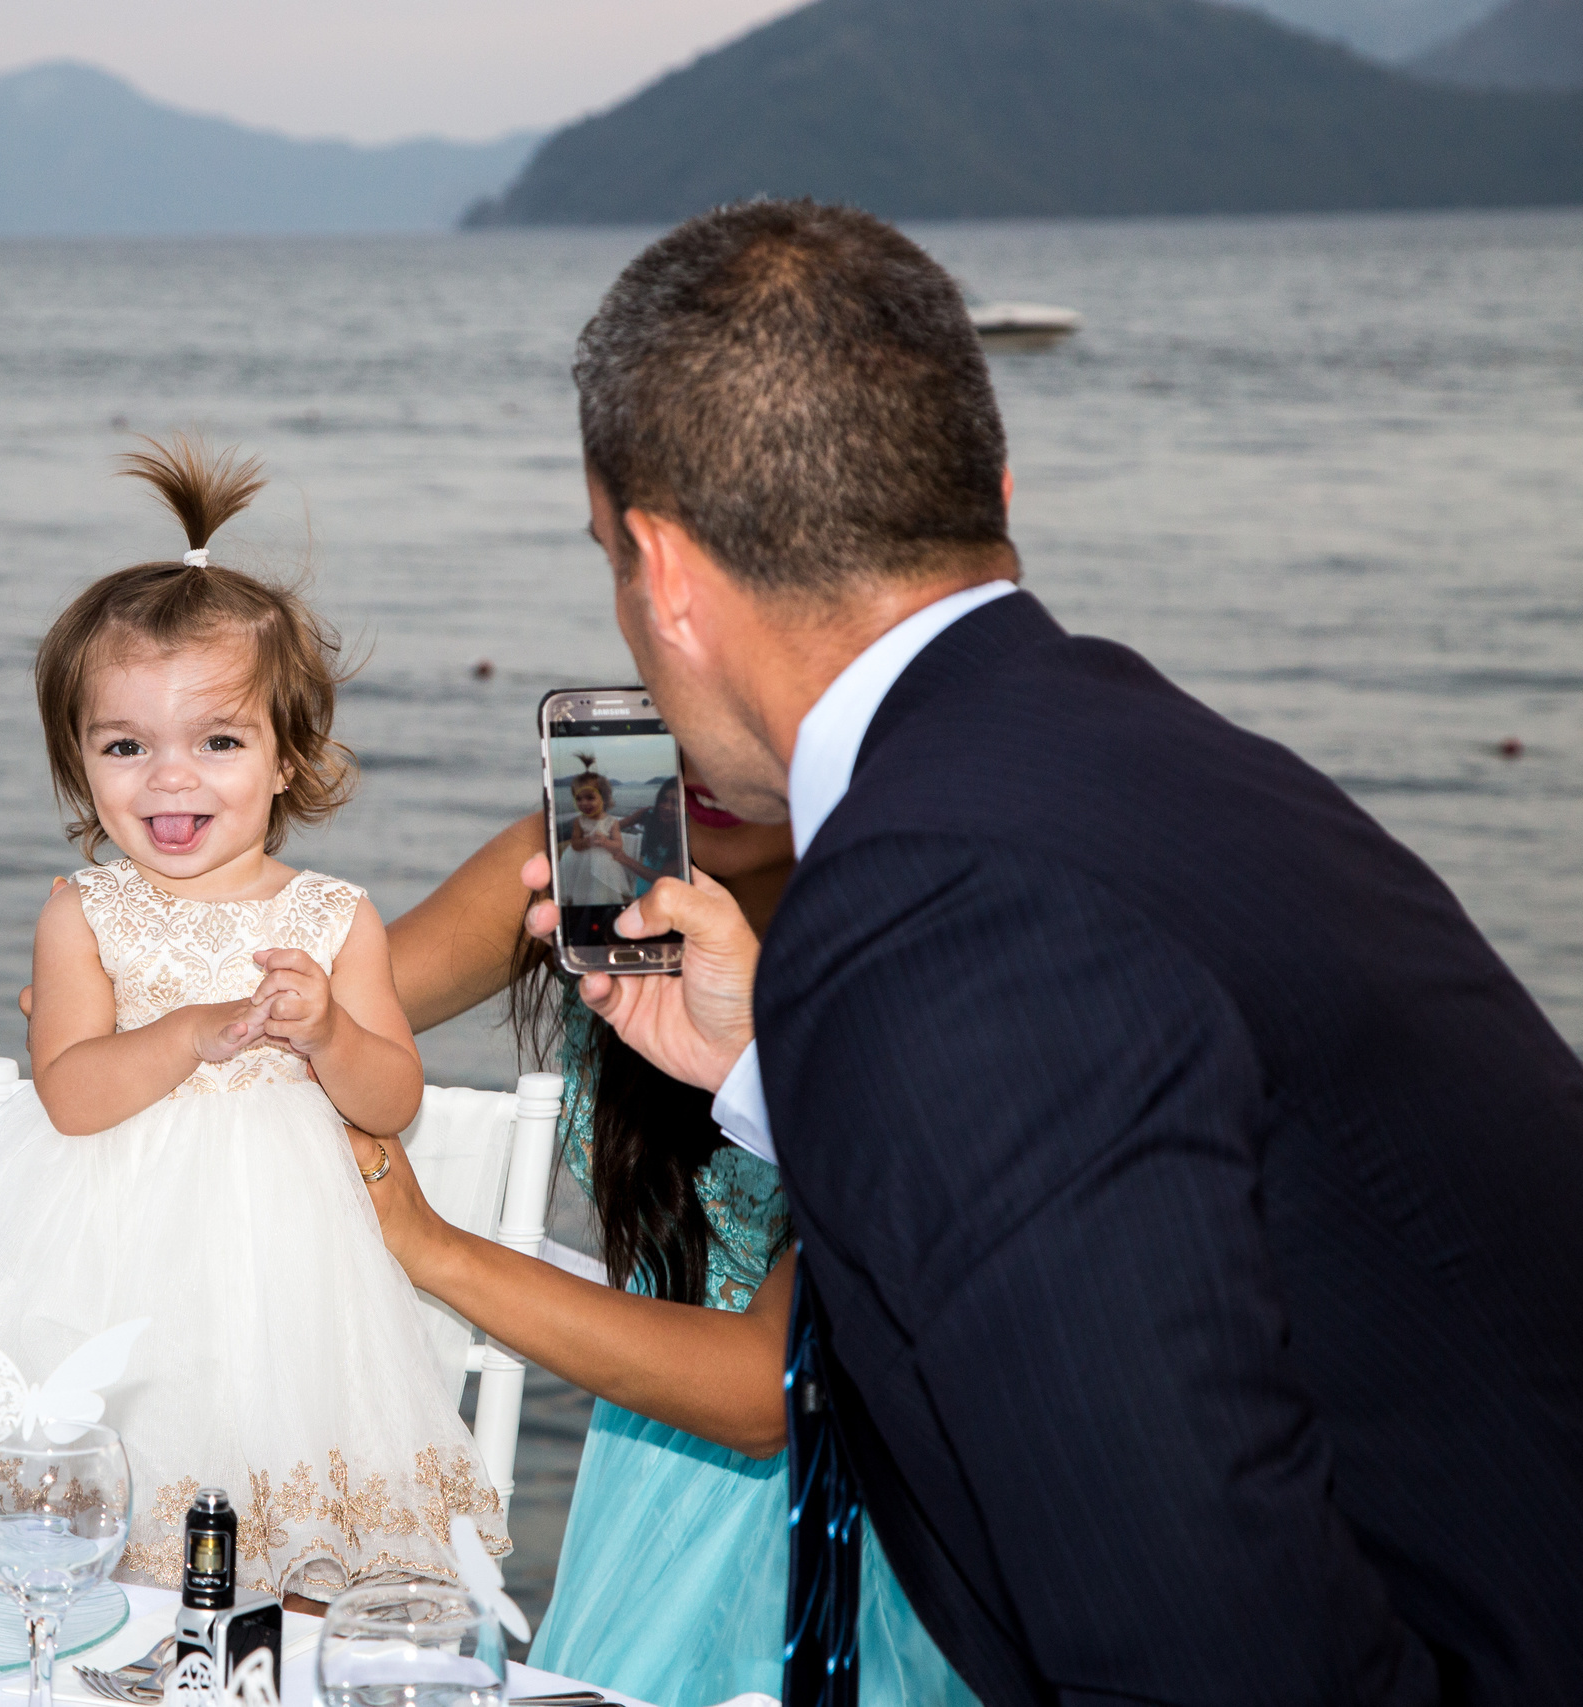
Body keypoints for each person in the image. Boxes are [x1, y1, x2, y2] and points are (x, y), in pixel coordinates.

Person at [475, 198, 1583, 1702]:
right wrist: (774, 1059)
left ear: (663, 570)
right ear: (995, 486)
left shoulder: (945, 898)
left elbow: (1201, 1657)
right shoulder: (1127, 750)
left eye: (609, 557)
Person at [0, 436, 505, 1597]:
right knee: (84, 1512)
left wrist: (330, 1035)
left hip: (282, 1268)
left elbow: (394, 1098)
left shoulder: (335, 917)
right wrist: (188, 1033)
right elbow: (74, 1095)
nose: (170, 780)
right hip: (89, 1258)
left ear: (290, 758)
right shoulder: (83, 911)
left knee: (279, 1495)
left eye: (219, 742)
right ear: (79, 763)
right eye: (125, 746)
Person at [385, 815, 977, 1707]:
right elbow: (332, 1004)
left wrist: (432, 1247)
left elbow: (763, 1389)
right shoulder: (581, 861)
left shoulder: (904, 936)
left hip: (849, 1509)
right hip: (649, 1463)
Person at [556, 768, 639, 905]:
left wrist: (606, 842)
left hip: (605, 861)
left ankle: (603, 902)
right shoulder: (579, 821)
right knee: (581, 885)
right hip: (579, 860)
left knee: (602, 887)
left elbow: (618, 845)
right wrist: (587, 841)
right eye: (579, 798)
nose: (584, 803)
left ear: (604, 799)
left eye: (590, 797)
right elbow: (575, 844)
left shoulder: (611, 821)